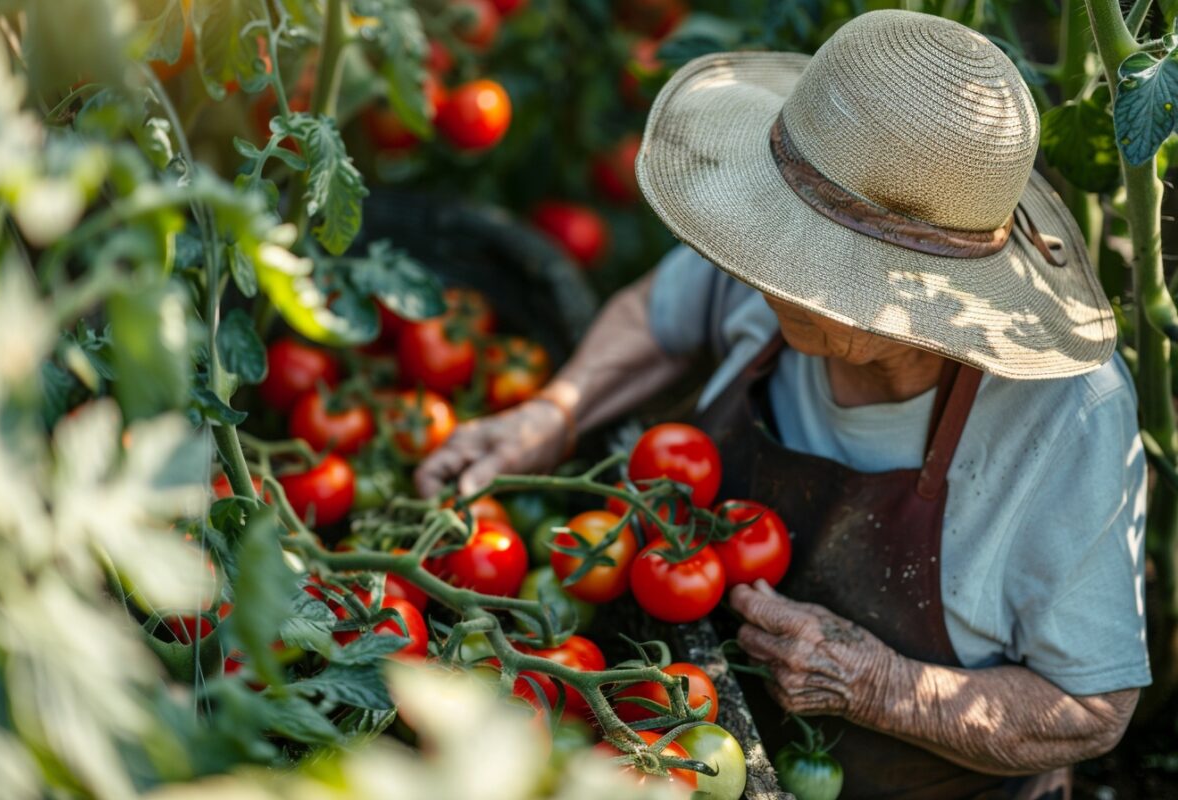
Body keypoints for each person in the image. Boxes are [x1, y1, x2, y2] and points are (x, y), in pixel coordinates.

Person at [416, 10, 1150, 799]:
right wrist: (555, 411)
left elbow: (1090, 708)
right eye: (781, 237)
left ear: (927, 302)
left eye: (816, 259)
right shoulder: (772, 245)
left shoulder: (1064, 419)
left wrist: (877, 683)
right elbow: (658, 318)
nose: (768, 265)